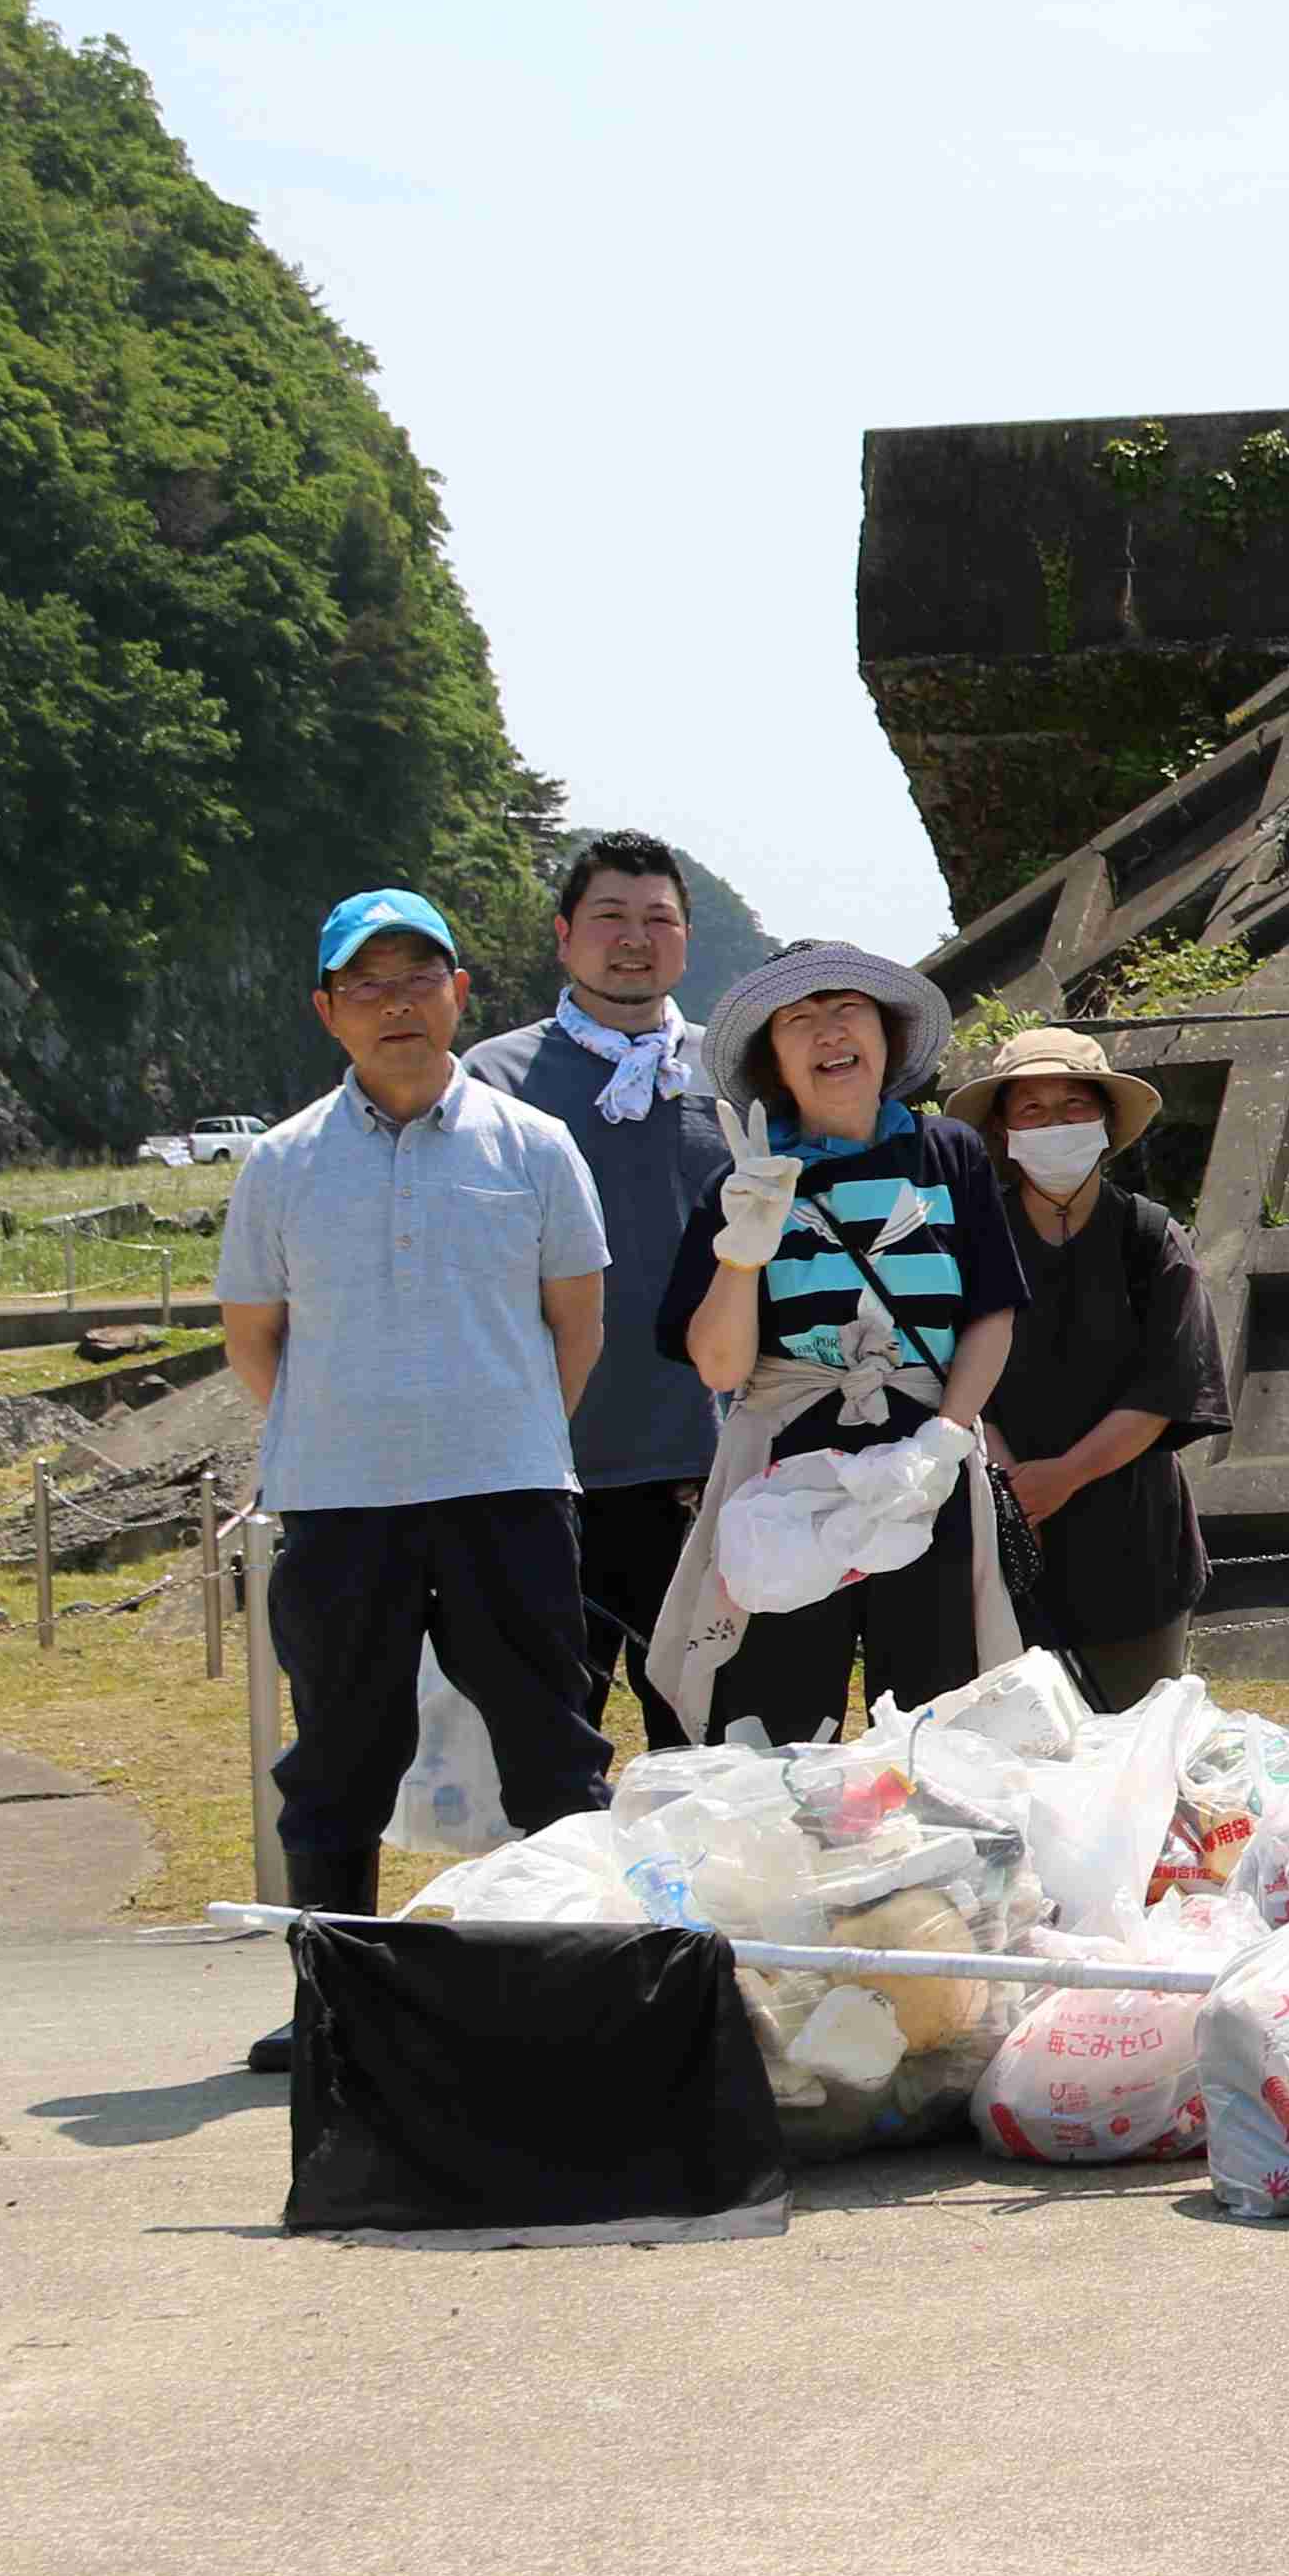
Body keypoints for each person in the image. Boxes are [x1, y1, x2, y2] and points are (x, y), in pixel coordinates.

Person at [216, 888, 612, 2070]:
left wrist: (503, 1428)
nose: (397, 1005)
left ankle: (583, 1986)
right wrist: (351, 1431)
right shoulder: (282, 1161)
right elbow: (255, 1339)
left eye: (419, 979)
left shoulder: (533, 1144)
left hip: (507, 1493)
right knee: (337, 1756)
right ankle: (336, 2005)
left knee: (551, 1746)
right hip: (338, 1503)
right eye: (369, 986)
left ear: (459, 995)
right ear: (328, 1011)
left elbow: (575, 1323)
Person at [649, 943, 1025, 1747]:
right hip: (788, 1473)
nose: (828, 1032)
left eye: (847, 1009)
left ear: (887, 1036)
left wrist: (947, 1435)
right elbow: (720, 1366)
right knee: (774, 1720)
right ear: (773, 1059)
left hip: (925, 1462)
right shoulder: (741, 1183)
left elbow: (993, 1312)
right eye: (799, 1019)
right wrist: (741, 1252)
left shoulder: (950, 1153)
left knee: (938, 1718)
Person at [461, 831, 733, 1749]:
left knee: (705, 1748)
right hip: (545, 1469)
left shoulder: (734, 1071)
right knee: (547, 1744)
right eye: (609, 916)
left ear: (685, 939)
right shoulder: (494, 1080)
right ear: (564, 934)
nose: (633, 939)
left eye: (659, 919)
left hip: (703, 1464)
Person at [953, 1026, 1233, 1709]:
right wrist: (1011, 1485)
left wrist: (1064, 1475)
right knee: (1011, 1748)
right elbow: (950, 1376)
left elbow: (1168, 1387)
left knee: (1135, 1745)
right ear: (1003, 1132)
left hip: (1134, 1547)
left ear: (1106, 1123)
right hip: (1002, 1535)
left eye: (1074, 1105)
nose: (1055, 1124)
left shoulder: (1150, 1237)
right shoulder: (970, 1240)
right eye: (1032, 1109)